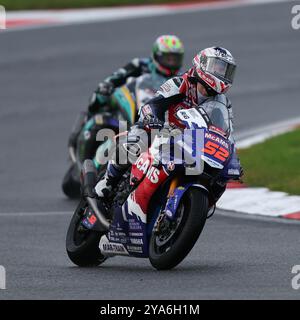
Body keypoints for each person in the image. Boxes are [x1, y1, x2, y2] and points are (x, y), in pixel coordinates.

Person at [95, 46, 242, 200]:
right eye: (218, 68)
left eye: (226, 71)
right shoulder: (180, 83)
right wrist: (151, 118)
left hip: (191, 141)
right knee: (137, 138)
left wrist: (233, 157)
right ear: (203, 64)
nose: (222, 74)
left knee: (219, 179)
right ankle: (108, 181)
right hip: (162, 130)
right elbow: (153, 104)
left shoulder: (223, 102)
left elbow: (227, 133)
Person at [68, 35, 185, 150]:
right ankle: (81, 128)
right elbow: (116, 77)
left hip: (155, 110)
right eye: (168, 58)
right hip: (131, 100)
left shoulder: (181, 76)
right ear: (156, 56)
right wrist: (107, 86)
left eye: (175, 59)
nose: (171, 62)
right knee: (100, 97)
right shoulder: (140, 65)